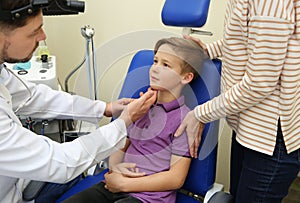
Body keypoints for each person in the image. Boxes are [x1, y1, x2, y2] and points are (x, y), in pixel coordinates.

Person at [0, 1, 157, 203]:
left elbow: (34, 98)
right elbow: (61, 163)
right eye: (34, 32)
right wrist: (124, 122)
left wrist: (105, 108)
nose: (43, 36)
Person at [175, 1, 300, 202]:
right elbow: (246, 41)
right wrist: (208, 51)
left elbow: (259, 84)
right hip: (248, 128)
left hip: (268, 139)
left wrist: (200, 114)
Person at [62, 37, 206, 203]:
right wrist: (115, 169)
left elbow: (175, 179)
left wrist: (125, 184)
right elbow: (122, 144)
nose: (154, 69)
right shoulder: (140, 105)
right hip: (114, 186)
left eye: (165, 65)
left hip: (149, 198)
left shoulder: (185, 119)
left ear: (186, 77)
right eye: (155, 61)